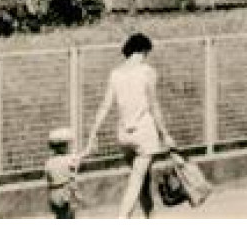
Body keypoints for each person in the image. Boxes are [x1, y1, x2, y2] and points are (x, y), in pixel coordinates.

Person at [82, 33, 174, 218]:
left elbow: (105, 105)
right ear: (143, 51)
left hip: (124, 135)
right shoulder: (147, 72)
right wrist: (165, 134)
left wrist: (93, 134)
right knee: (136, 182)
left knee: (142, 182)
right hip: (144, 133)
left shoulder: (115, 74)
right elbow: (154, 105)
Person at [43, 127, 80, 219]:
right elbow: (72, 178)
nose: (69, 147)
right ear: (63, 146)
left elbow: (49, 179)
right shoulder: (69, 159)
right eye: (68, 144)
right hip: (65, 193)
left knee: (60, 216)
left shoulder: (49, 162)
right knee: (69, 216)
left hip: (54, 194)